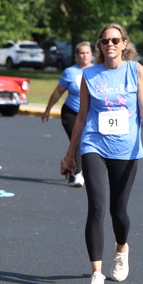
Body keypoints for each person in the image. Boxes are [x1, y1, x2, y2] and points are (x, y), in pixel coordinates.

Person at [61, 23, 143, 284]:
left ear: (124, 43)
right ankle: (96, 275)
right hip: (94, 144)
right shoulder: (89, 74)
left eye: (115, 40)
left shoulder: (136, 71)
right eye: (105, 41)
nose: (110, 44)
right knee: (96, 207)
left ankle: (121, 249)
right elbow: (82, 116)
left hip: (126, 149)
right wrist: (70, 153)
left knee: (119, 212)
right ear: (100, 45)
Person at [42, 41, 94, 187]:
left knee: (90, 143)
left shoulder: (97, 70)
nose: (85, 56)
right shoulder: (70, 72)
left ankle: (82, 170)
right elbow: (58, 91)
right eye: (81, 53)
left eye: (87, 53)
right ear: (76, 55)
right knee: (77, 141)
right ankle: (78, 174)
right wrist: (48, 109)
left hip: (90, 114)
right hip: (71, 112)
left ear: (92, 55)